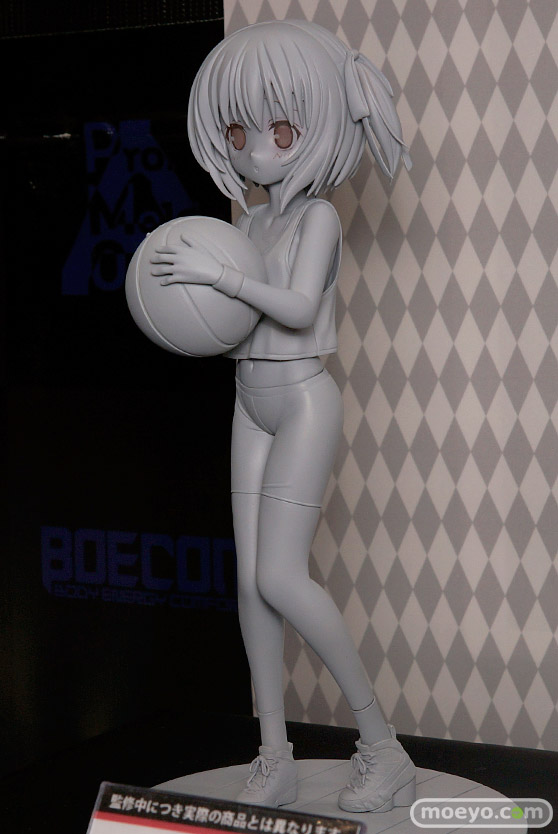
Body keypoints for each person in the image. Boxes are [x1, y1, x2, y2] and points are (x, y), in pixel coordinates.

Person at [150, 20, 415, 812]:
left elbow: (297, 308)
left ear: (316, 128)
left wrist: (217, 280)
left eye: (280, 130)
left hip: (301, 398)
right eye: (238, 132)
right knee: (250, 585)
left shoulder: (317, 218)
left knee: (279, 575)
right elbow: (236, 323)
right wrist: (188, 303)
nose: (256, 150)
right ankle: (274, 754)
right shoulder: (249, 221)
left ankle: (383, 746)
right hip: (249, 398)